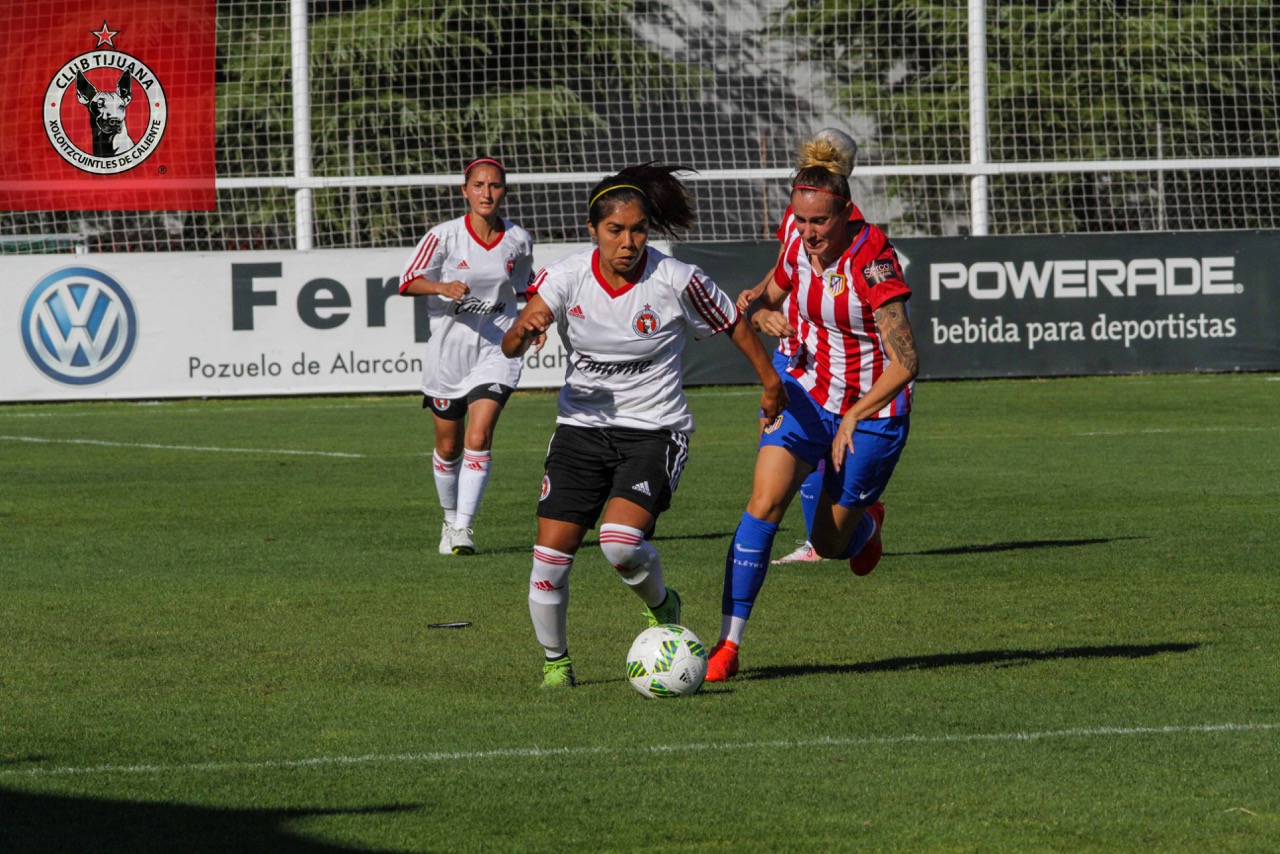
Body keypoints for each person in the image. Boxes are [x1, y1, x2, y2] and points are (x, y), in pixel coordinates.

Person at [502, 163, 786, 688]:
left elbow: (734, 325)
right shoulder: (567, 277)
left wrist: (770, 383)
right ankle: (556, 664)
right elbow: (513, 342)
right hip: (579, 429)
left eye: (638, 230)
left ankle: (662, 603)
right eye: (616, 230)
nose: (628, 241)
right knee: (549, 558)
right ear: (593, 231)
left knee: (618, 543)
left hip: (654, 431)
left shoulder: (677, 278)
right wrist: (526, 328)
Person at [706, 135, 920, 682]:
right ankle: (727, 648)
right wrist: (758, 317)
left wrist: (853, 415)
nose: (809, 234)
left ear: (846, 213)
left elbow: (906, 362)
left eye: (820, 222)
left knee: (829, 543)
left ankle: (866, 525)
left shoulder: (873, 260)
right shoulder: (795, 237)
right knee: (762, 504)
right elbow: (762, 297)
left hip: (871, 413)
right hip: (803, 390)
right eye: (801, 222)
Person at [735, 128, 860, 566]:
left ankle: (829, 533)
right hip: (794, 347)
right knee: (781, 446)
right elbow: (785, 265)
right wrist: (762, 294)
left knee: (807, 448)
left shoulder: (841, 219)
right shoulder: (800, 212)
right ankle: (818, 536)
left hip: (829, 359)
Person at [400, 156, 536, 556]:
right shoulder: (443, 236)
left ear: (504, 192)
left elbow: (527, 286)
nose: (486, 193)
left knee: (480, 435)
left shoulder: (519, 239)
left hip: (499, 348)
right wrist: (442, 287)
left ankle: (463, 528)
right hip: (448, 353)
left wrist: (533, 322)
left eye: (494, 186)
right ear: (465, 191)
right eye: (478, 185)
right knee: (448, 446)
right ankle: (448, 518)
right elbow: (407, 282)